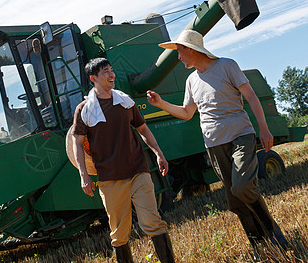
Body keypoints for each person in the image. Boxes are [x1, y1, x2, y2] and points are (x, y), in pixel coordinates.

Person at [147, 30, 288, 250]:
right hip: (214, 144)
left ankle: (273, 233)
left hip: (241, 135)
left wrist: (264, 128)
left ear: (191, 49)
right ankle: (258, 245)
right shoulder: (192, 80)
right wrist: (161, 104)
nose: (178, 57)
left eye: (179, 51)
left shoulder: (227, 65)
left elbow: (251, 96)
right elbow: (186, 112)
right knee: (235, 200)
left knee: (242, 187)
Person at [72, 58, 175, 263]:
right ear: (93, 78)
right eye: (105, 72)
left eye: (111, 70)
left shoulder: (125, 102)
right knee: (119, 233)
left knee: (152, 222)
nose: (112, 75)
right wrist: (84, 174)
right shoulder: (84, 109)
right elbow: (77, 143)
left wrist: (158, 153)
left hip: (138, 170)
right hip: (109, 178)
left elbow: (142, 128)